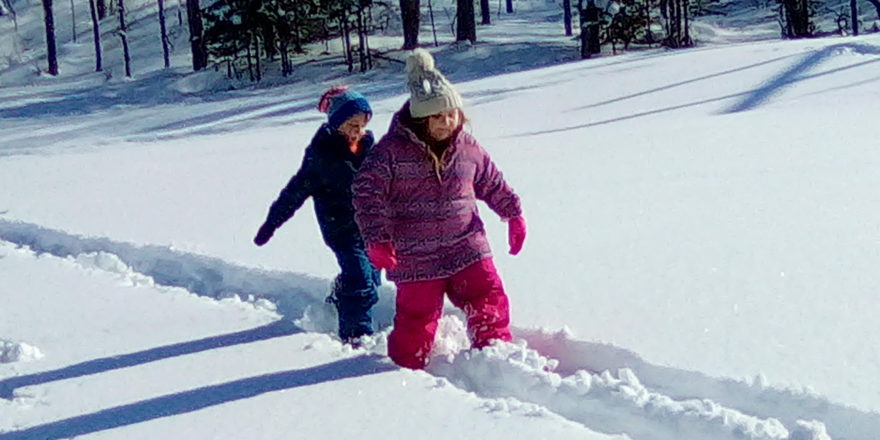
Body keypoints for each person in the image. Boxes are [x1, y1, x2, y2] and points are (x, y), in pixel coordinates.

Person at [352, 50, 527, 369]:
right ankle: (404, 368)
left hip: (467, 246)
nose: (448, 122)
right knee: (417, 318)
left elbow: (491, 181)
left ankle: (495, 354)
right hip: (416, 255)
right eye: (438, 116)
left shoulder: (468, 147)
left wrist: (512, 213)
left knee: (488, 295)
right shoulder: (390, 152)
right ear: (421, 118)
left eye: (452, 114)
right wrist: (377, 239)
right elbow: (367, 194)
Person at [254, 86, 380, 344]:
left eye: (361, 124)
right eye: (351, 125)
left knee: (372, 279)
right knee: (361, 281)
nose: (358, 130)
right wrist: (271, 223)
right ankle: (356, 336)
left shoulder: (370, 148)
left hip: (372, 228)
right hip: (341, 229)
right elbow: (294, 192)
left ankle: (340, 294)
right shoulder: (322, 156)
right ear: (336, 125)